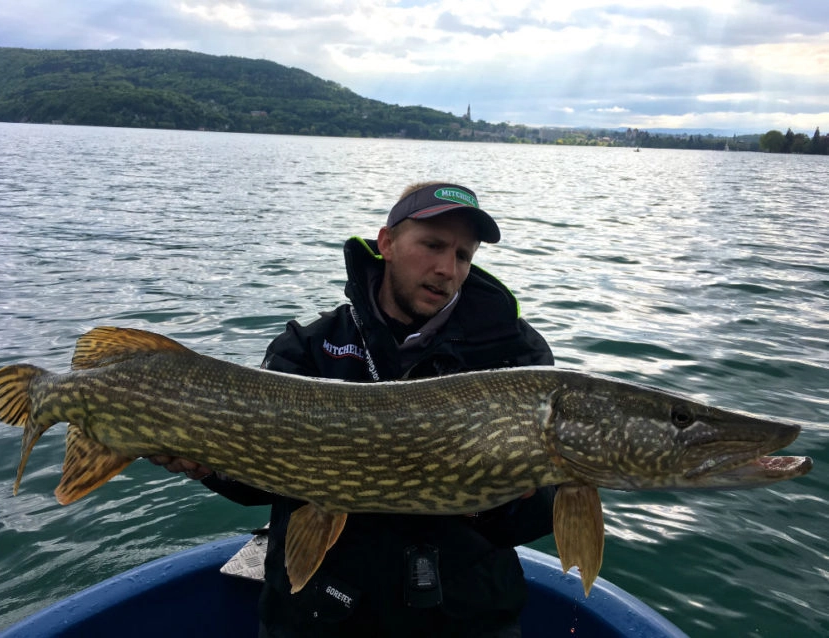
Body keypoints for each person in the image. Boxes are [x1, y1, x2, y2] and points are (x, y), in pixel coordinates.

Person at [151, 182, 557, 637]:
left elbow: (540, 514)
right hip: (321, 613)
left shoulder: (514, 359)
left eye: (463, 255)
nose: (447, 269)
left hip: (461, 615)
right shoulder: (307, 348)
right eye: (433, 245)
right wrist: (209, 466)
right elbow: (257, 482)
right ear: (386, 243)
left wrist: (497, 498)